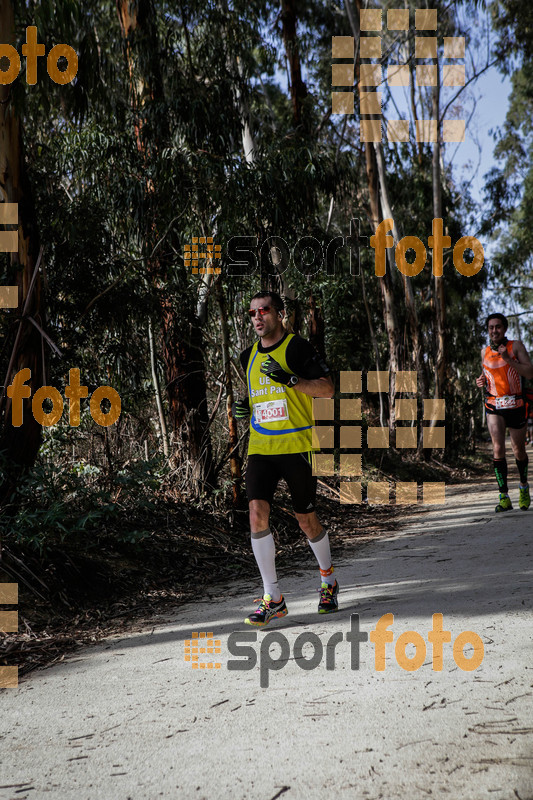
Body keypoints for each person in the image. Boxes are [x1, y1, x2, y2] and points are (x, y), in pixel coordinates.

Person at [233, 291, 336, 627]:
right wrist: (245, 408)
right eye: (252, 313)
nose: (257, 317)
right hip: (261, 447)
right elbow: (260, 397)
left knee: (305, 519)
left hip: (297, 445)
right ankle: (273, 597)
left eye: (264, 310)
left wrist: (292, 380)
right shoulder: (247, 356)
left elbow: (327, 389)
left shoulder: (297, 348)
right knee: (256, 513)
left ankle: (328, 580)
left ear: (279, 313)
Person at [476, 313, 533, 512]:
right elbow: (487, 376)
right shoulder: (484, 352)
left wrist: (509, 359)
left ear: (504, 328)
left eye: (498, 327)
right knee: (498, 447)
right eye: (491, 327)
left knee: (518, 451)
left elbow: (529, 372)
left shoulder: (515, 346)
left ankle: (524, 488)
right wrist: (481, 381)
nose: (494, 331)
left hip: (516, 405)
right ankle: (504, 496)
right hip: (493, 406)